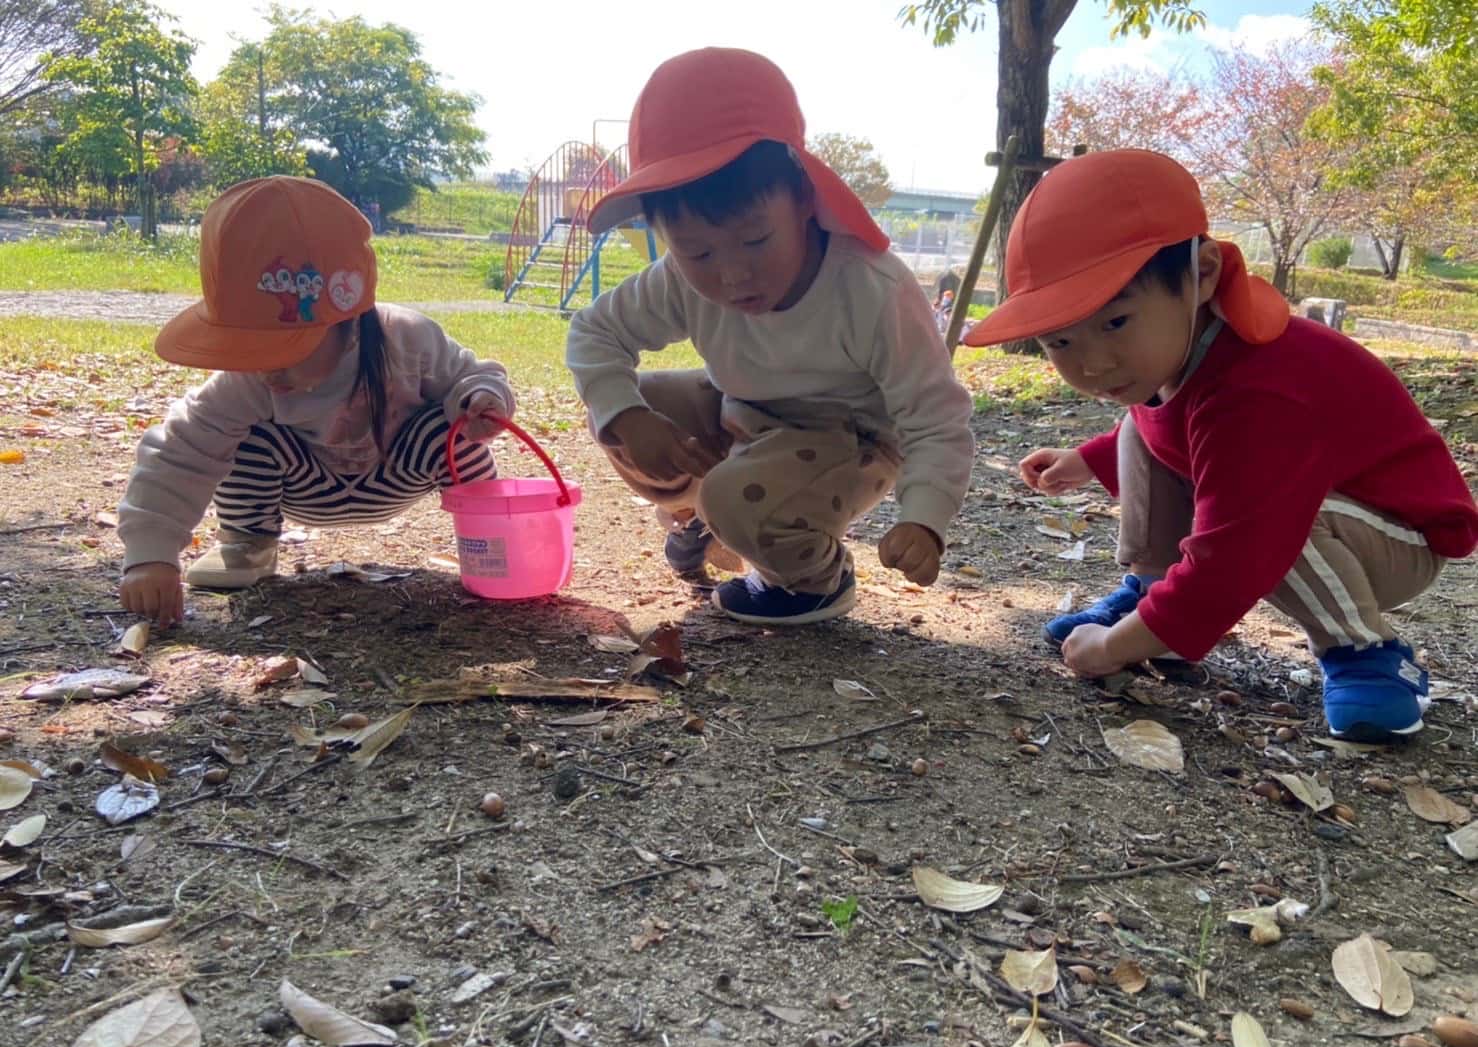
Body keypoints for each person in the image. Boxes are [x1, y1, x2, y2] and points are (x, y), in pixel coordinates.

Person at [964, 148, 1478, 742]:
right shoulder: (1180, 353)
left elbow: (1238, 551)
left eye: (1115, 323)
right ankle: (1152, 591)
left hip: (1395, 534)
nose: (1092, 363)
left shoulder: (1261, 388)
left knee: (1280, 514)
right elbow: (1172, 429)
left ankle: (1365, 651)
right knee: (1141, 420)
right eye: (1058, 342)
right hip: (1305, 504)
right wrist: (1091, 459)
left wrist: (1112, 647)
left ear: (1202, 274)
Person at [565, 47, 975, 626]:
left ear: (806, 200)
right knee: (629, 406)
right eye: (698, 251)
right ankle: (713, 513)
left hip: (851, 438)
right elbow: (595, 331)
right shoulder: (679, 279)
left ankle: (815, 580)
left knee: (737, 496)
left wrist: (925, 517)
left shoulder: (869, 288)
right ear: (659, 233)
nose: (732, 275)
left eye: (756, 240)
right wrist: (628, 418)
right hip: (745, 417)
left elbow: (935, 415)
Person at [118, 175, 514, 627]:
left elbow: (473, 375)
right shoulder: (249, 380)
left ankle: (488, 540)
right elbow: (181, 449)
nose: (266, 369)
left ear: (346, 319)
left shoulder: (407, 340)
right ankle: (248, 544)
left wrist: (482, 400)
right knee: (242, 437)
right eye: (248, 350)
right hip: (303, 485)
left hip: (396, 472)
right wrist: (151, 554)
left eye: (282, 349)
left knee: (448, 426)